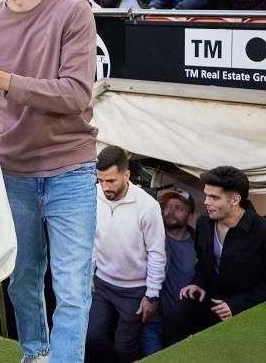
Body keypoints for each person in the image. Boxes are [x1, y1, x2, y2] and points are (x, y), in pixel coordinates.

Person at [0, 0, 98, 363]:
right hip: (14, 174)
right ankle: (35, 354)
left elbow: (76, 93)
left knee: (71, 284)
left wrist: (7, 81)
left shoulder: (72, 12)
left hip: (72, 170)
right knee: (23, 278)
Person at [163, 167, 266, 346]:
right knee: (174, 319)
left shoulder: (262, 231)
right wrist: (198, 282)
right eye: (206, 195)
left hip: (247, 308)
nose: (206, 202)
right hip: (209, 298)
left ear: (235, 199)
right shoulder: (204, 223)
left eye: (214, 197)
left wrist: (236, 305)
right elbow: (203, 263)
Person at [86, 146, 166, 363]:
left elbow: (157, 253)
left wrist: (152, 295)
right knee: (91, 336)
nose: (104, 186)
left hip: (134, 291)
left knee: (125, 348)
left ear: (127, 174)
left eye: (110, 181)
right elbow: (92, 238)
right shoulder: (93, 195)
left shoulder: (148, 207)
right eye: (100, 180)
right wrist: (90, 273)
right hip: (102, 284)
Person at [141, 187, 197, 356]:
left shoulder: (200, 246)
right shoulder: (150, 239)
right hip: (152, 321)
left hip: (185, 324)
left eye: (178, 208)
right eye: (167, 206)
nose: (170, 212)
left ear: (190, 213)